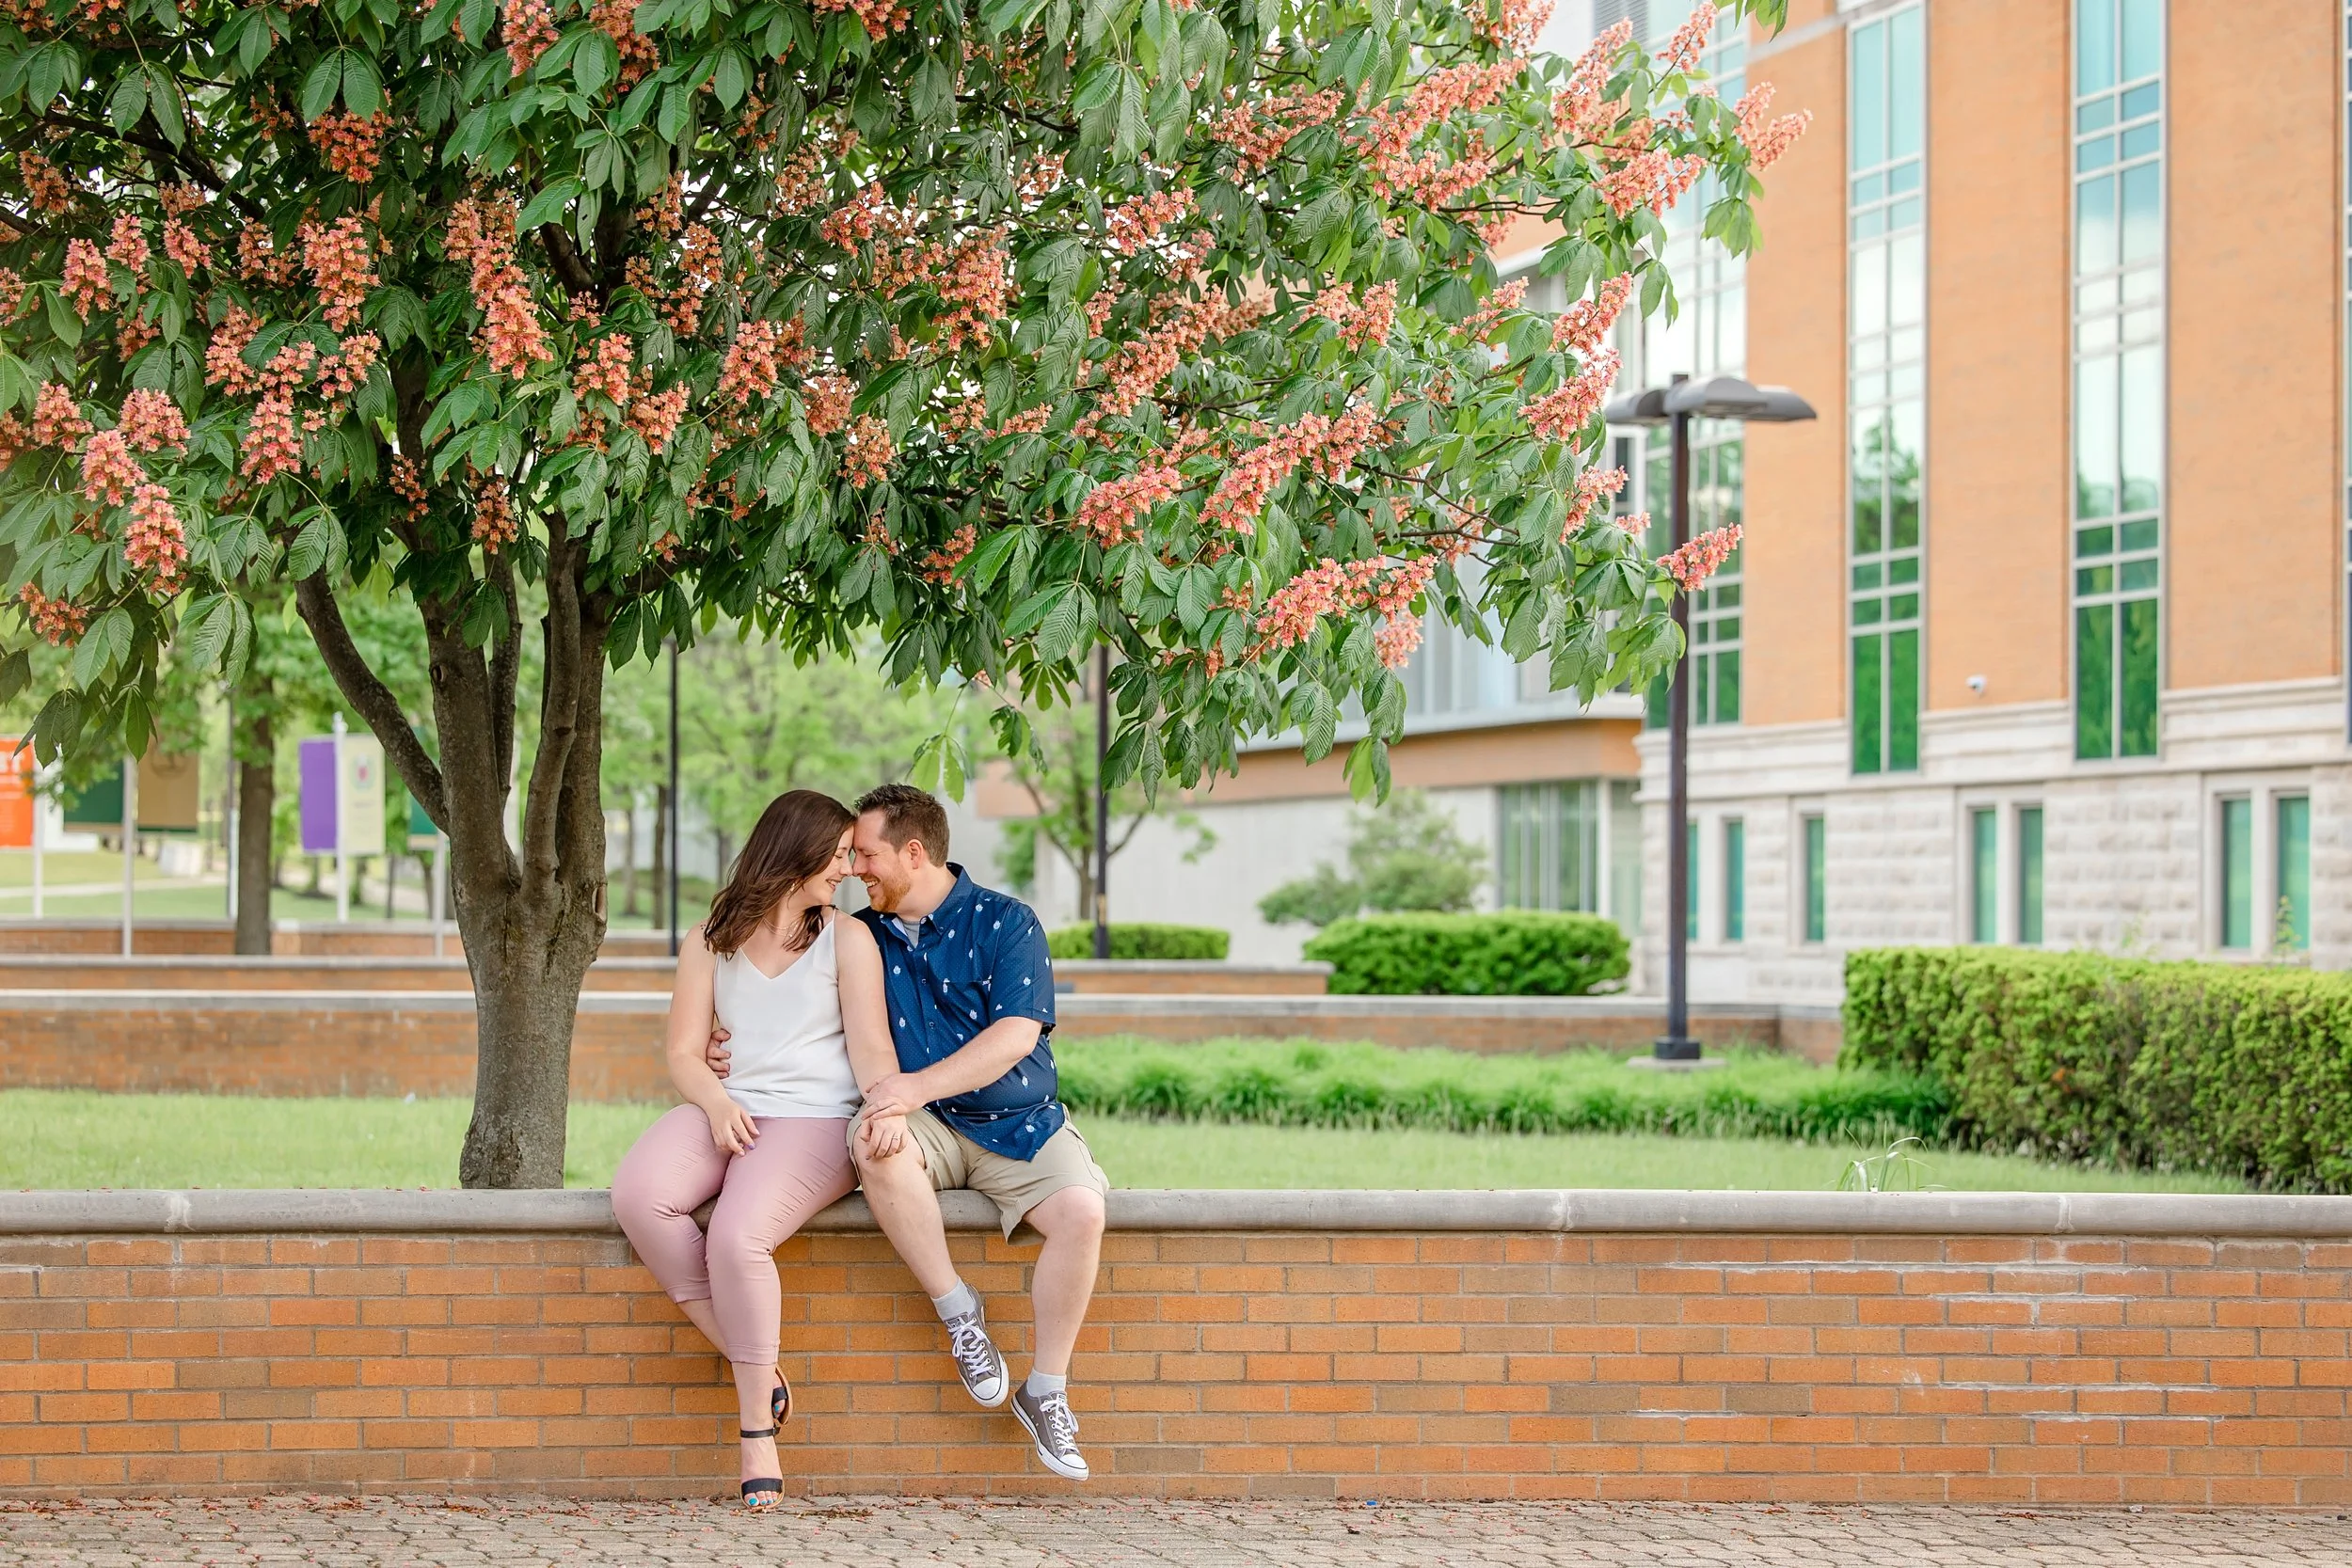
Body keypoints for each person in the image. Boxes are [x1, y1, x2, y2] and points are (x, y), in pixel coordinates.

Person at [707, 783, 1108, 1481]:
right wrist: (725, 1043)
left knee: (1082, 1211)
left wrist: (912, 1088)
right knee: (875, 1142)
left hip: (1018, 1119)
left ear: (914, 852)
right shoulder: (861, 933)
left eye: (865, 854)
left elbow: (1016, 1035)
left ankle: (1046, 1390)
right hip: (923, 1126)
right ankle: (959, 1312)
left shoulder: (1007, 922)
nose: (853, 868)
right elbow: (789, 1003)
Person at [611, 789, 898, 1511]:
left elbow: (871, 1049)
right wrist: (715, 1102)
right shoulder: (712, 936)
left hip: (815, 1120)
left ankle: (755, 1434)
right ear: (797, 851)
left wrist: (891, 1107)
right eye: (838, 855)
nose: (847, 869)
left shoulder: (847, 940)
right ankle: (757, 1364)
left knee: (736, 1237)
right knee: (639, 1195)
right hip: (731, 1105)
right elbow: (683, 1052)